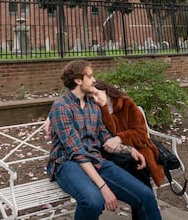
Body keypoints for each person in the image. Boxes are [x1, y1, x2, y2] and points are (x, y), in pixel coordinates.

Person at [46, 60, 163, 220]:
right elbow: (77, 153)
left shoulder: (93, 106)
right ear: (78, 80)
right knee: (93, 201)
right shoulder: (61, 107)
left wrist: (130, 150)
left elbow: (104, 138)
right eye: (90, 76)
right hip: (67, 164)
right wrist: (104, 187)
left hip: (96, 160)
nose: (94, 80)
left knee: (146, 195)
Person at [92, 80, 166, 188]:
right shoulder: (95, 110)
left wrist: (119, 138)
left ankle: (145, 199)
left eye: (96, 94)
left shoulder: (126, 103)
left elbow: (140, 132)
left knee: (136, 161)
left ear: (105, 90)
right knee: (127, 162)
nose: (95, 99)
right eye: (91, 97)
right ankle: (143, 199)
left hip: (137, 146)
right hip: (110, 152)